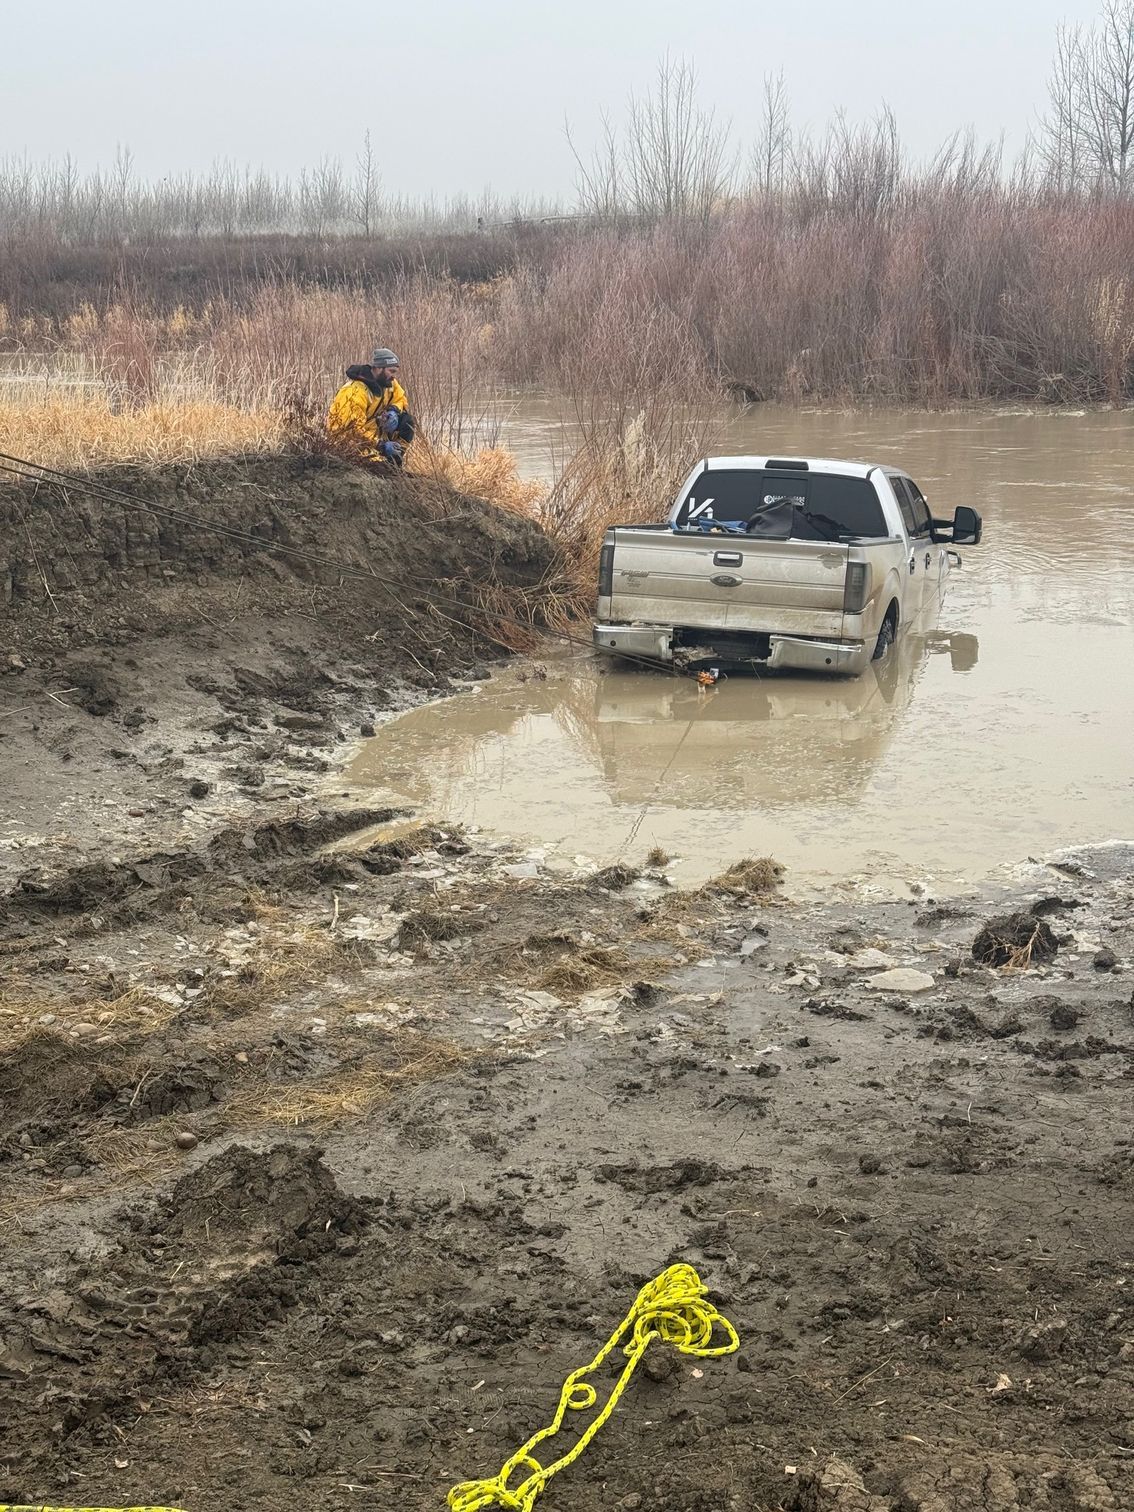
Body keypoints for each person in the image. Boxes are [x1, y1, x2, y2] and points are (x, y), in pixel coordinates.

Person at [326, 347, 415, 464]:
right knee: (377, 466)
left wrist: (393, 411)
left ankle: (394, 461)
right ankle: (383, 463)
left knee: (407, 421)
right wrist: (380, 445)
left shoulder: (389, 383)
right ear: (378, 368)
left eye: (395, 372)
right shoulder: (355, 392)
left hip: (374, 436)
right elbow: (350, 431)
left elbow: (400, 398)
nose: (393, 376)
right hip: (352, 444)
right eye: (391, 371)